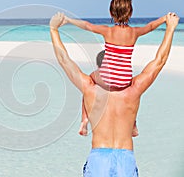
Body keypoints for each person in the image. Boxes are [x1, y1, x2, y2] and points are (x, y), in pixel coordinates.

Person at [50, 12, 179, 176]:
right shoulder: (134, 89)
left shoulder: (90, 89)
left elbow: (64, 60)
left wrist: (54, 30)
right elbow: (159, 60)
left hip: (98, 159)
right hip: (125, 159)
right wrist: (170, 28)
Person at [61, 0, 167, 135]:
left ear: (111, 13)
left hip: (106, 80)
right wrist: (164, 18)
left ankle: (84, 121)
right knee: (136, 92)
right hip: (124, 81)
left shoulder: (108, 31)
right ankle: (133, 124)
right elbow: (151, 26)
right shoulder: (134, 32)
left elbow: (87, 25)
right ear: (130, 13)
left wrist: (68, 20)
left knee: (89, 81)